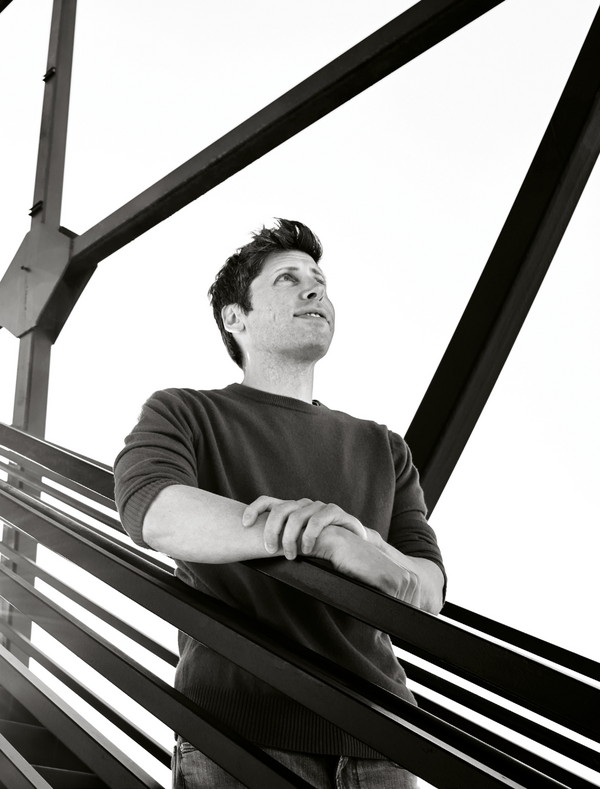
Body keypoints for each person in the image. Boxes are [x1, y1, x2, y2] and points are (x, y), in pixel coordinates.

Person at [114, 218, 446, 788]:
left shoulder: (384, 446)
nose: (316, 290)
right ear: (234, 317)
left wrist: (363, 541)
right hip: (240, 733)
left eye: (320, 281)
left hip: (385, 744)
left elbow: (429, 587)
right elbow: (155, 511)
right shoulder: (184, 411)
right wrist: (320, 538)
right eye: (288, 279)